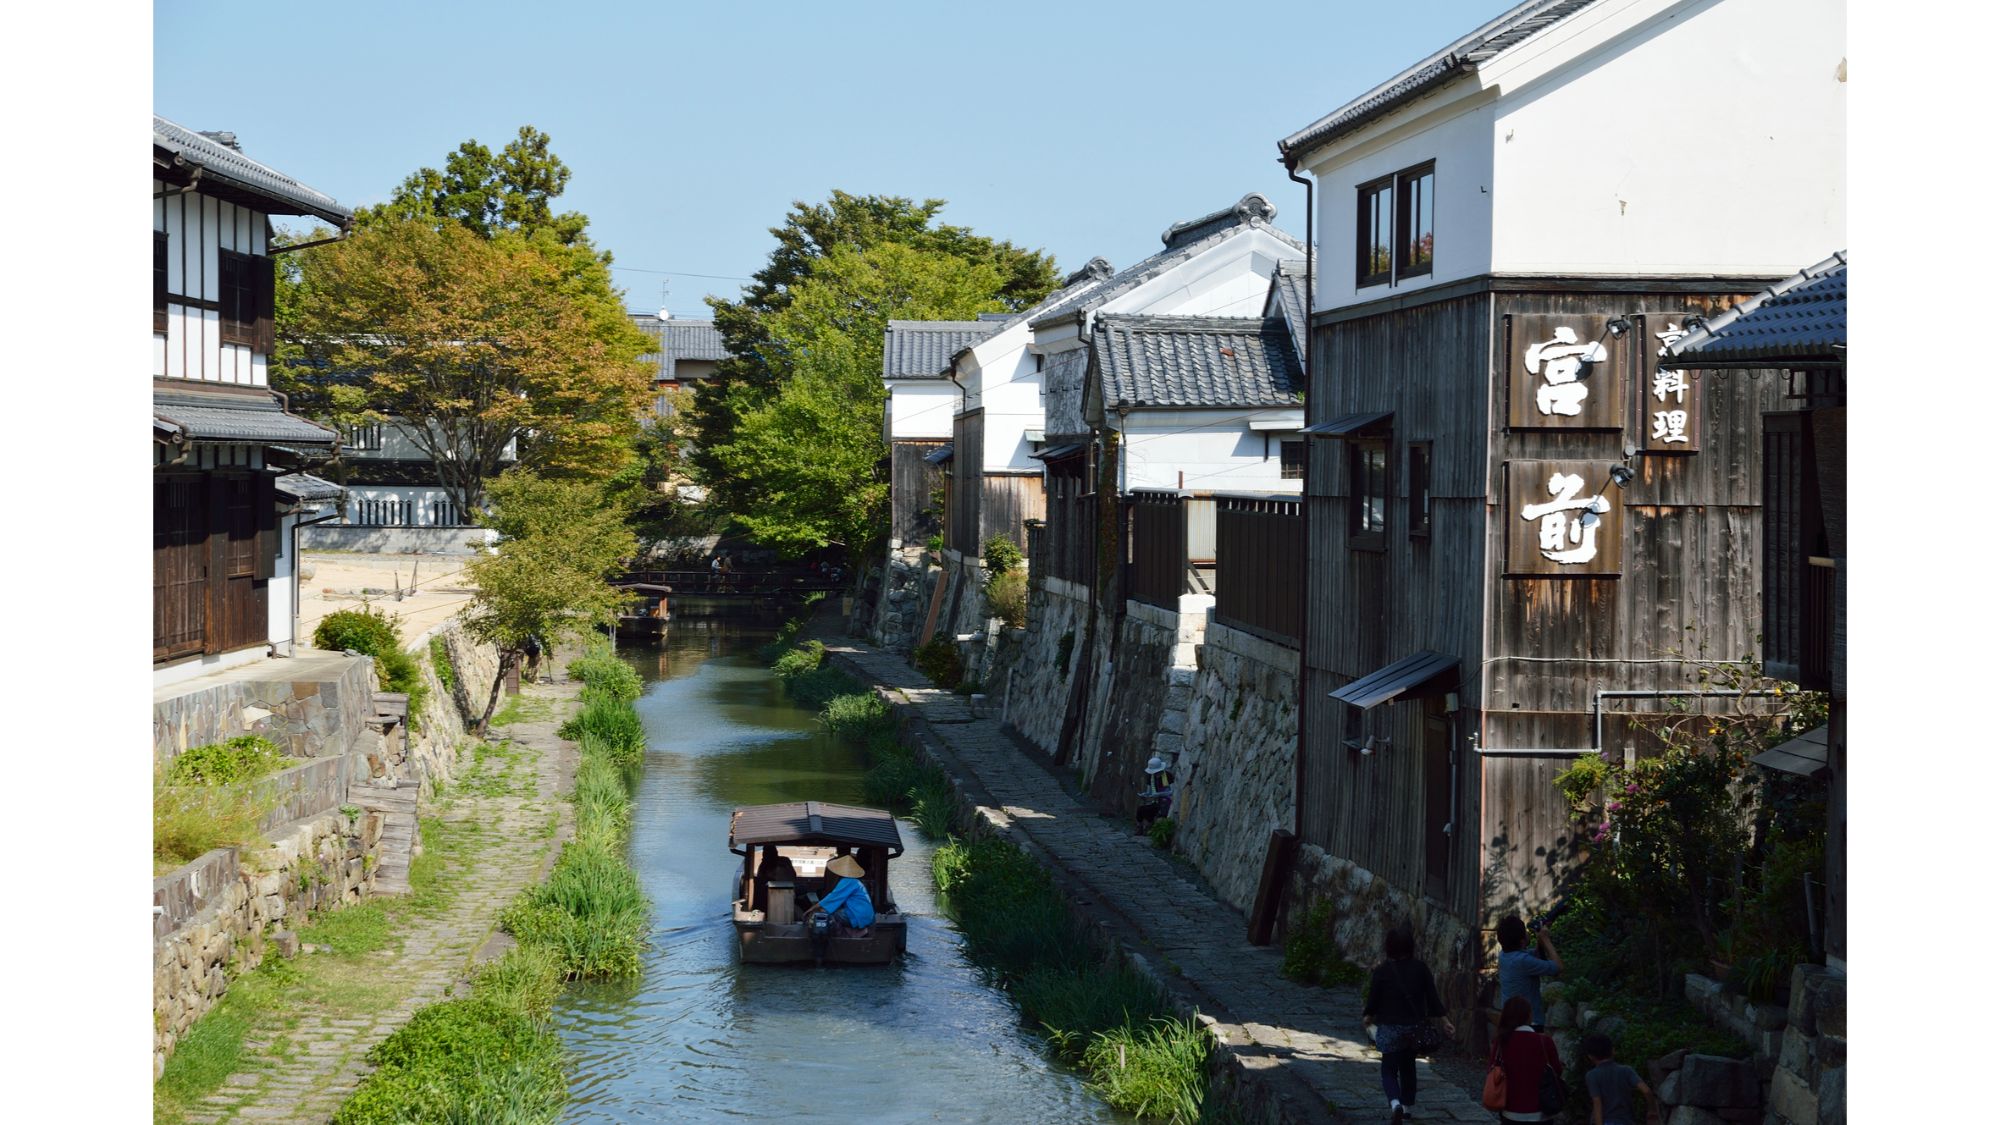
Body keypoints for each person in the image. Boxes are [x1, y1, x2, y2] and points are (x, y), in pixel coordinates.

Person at [1362, 926, 1453, 1125]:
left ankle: (1394, 1103)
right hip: (1413, 1028)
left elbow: (1374, 999)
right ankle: (1407, 1107)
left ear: (1389, 947)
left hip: (1389, 1028)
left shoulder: (1382, 971)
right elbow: (1432, 997)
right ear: (1411, 946)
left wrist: (1368, 1016)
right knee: (1408, 1066)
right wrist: (1445, 1020)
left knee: (1388, 1070)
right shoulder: (1421, 968)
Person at [1490, 996, 1563, 1123]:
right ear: (1528, 1015)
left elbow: (1492, 1069)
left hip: (1510, 1110)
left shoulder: (1501, 1042)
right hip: (1541, 1111)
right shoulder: (1544, 1041)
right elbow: (1556, 1071)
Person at [1496, 915, 1562, 1031]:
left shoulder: (1503, 955)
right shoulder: (1523, 961)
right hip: (1529, 1025)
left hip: (1510, 1021)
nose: (1527, 933)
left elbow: (1533, 956)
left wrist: (1539, 939)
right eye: (1525, 932)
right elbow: (1558, 967)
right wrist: (1546, 940)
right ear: (1522, 941)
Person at [1582, 1032, 1653, 1125]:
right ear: (1613, 1050)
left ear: (1590, 1056)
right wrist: (1652, 1110)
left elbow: (1597, 1104)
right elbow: (1646, 1091)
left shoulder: (1592, 1075)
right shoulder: (1626, 1070)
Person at [804, 854, 874, 936]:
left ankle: (842, 937)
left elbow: (832, 898)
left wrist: (812, 909)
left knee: (827, 915)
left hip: (858, 915)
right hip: (864, 915)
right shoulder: (854, 881)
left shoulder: (848, 881)